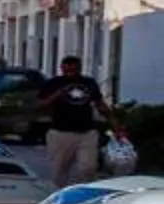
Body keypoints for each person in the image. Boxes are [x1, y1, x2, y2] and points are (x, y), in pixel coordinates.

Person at [36, 55, 113, 190]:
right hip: (60, 132)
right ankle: (57, 197)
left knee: (88, 168)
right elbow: (40, 104)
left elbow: (99, 103)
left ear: (79, 68)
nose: (71, 72)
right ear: (62, 68)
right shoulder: (53, 83)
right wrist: (58, 94)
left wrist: (114, 121)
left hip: (87, 131)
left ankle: (83, 195)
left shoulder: (88, 82)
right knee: (59, 171)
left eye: (75, 69)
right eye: (68, 69)